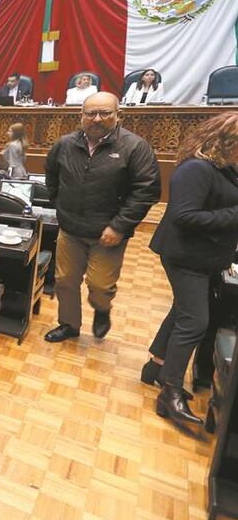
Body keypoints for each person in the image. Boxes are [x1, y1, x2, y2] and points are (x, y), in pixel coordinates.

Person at [144, 112, 238, 435]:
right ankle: (169, 392)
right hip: (185, 256)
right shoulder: (196, 168)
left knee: (182, 310)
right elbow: (185, 216)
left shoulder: (225, 169)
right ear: (227, 142)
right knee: (195, 320)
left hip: (204, 257)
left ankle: (154, 365)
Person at [43, 92, 161, 343]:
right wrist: (61, 207)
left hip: (108, 233)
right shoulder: (64, 144)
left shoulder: (134, 147)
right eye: (91, 113)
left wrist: (119, 226)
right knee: (65, 281)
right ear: (81, 116)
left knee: (99, 286)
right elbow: (51, 178)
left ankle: (102, 309)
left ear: (118, 115)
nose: (97, 119)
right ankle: (69, 325)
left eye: (105, 113)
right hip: (70, 229)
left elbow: (146, 191)